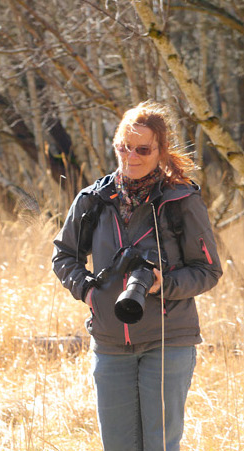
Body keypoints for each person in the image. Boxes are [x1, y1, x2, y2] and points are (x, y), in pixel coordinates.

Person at [52, 101, 221, 451]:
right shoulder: (93, 200)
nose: (131, 156)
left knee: (159, 445)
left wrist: (165, 284)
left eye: (142, 149)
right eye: (123, 147)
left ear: (160, 150)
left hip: (168, 341)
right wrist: (87, 292)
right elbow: (64, 255)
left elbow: (208, 270)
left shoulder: (181, 200)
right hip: (110, 343)